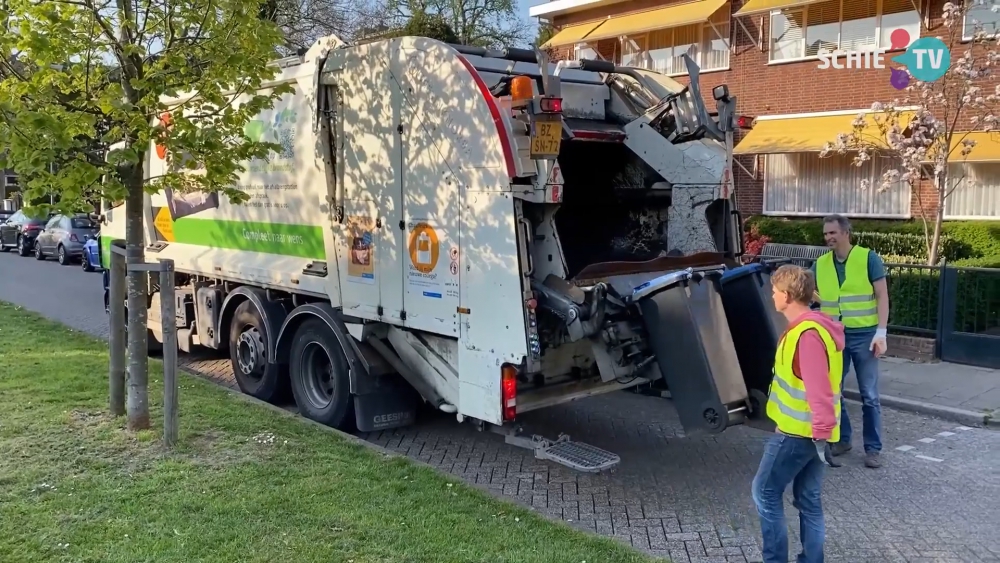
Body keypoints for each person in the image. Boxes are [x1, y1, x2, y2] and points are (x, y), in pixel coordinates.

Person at [752, 264, 845, 563]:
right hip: (816, 433)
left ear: (788, 296)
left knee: (764, 493)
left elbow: (817, 389)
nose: (772, 296)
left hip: (799, 433)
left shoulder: (806, 336)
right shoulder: (814, 327)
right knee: (809, 500)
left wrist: (816, 432)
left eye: (775, 291)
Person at [811, 214, 889, 469]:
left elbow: (882, 296)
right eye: (825, 234)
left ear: (846, 233)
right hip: (834, 335)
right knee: (833, 392)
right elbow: (812, 291)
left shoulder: (868, 258)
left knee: (869, 395)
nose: (828, 238)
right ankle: (843, 440)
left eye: (832, 233)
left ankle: (873, 449)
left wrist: (882, 332)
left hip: (865, 336)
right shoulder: (821, 264)